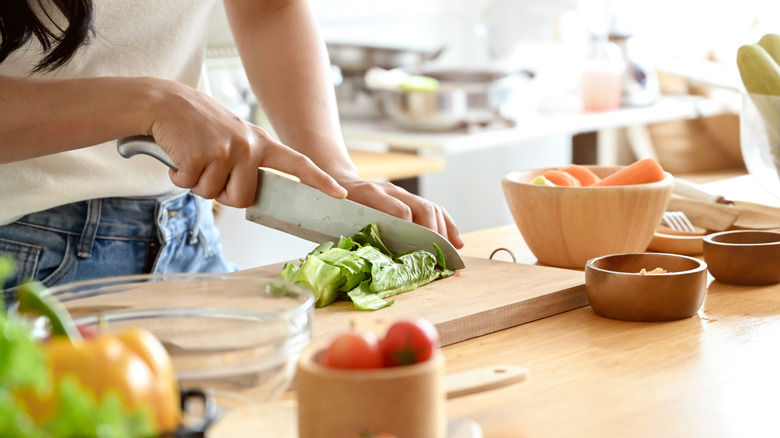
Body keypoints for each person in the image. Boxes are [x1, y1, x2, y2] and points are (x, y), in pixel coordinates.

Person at [0, 0, 463, 305]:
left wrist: (337, 175)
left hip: (187, 235)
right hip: (24, 267)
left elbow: (267, 9)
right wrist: (150, 104)